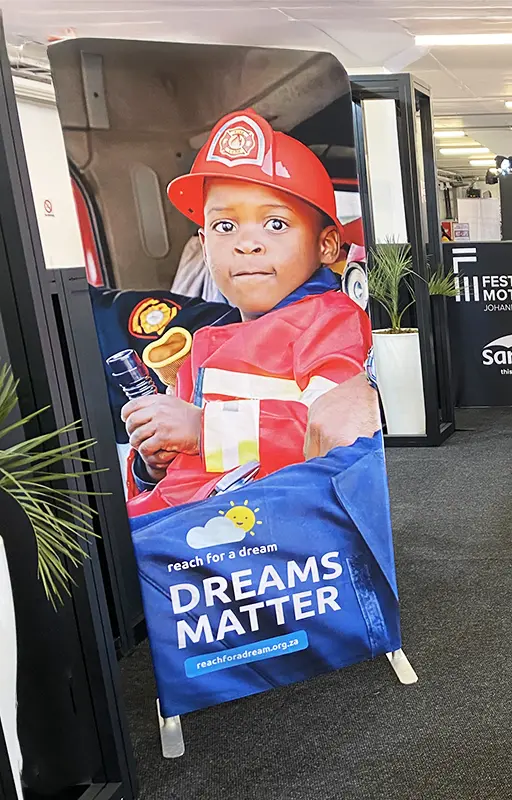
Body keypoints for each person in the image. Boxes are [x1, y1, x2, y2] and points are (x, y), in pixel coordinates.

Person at [122, 109, 379, 517]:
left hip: (268, 530)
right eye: (225, 227)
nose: (247, 244)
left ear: (327, 244)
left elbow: (336, 435)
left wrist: (202, 430)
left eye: (275, 224)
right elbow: (181, 475)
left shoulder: (332, 322)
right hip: (187, 524)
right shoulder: (201, 345)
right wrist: (153, 463)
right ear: (203, 245)